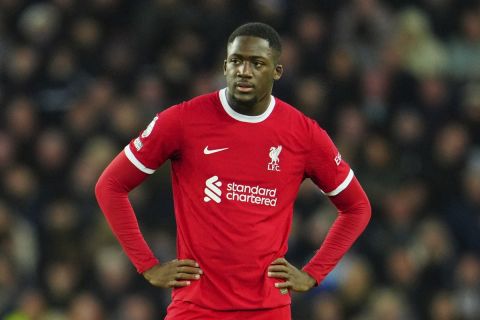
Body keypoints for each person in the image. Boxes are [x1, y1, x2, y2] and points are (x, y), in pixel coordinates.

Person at [95, 22, 371, 319]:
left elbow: (357, 207)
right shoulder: (182, 121)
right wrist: (147, 265)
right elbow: (110, 185)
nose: (244, 71)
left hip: (267, 311)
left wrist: (315, 273)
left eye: (257, 63)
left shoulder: (303, 134)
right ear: (225, 65)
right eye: (237, 61)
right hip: (195, 309)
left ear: (277, 71)